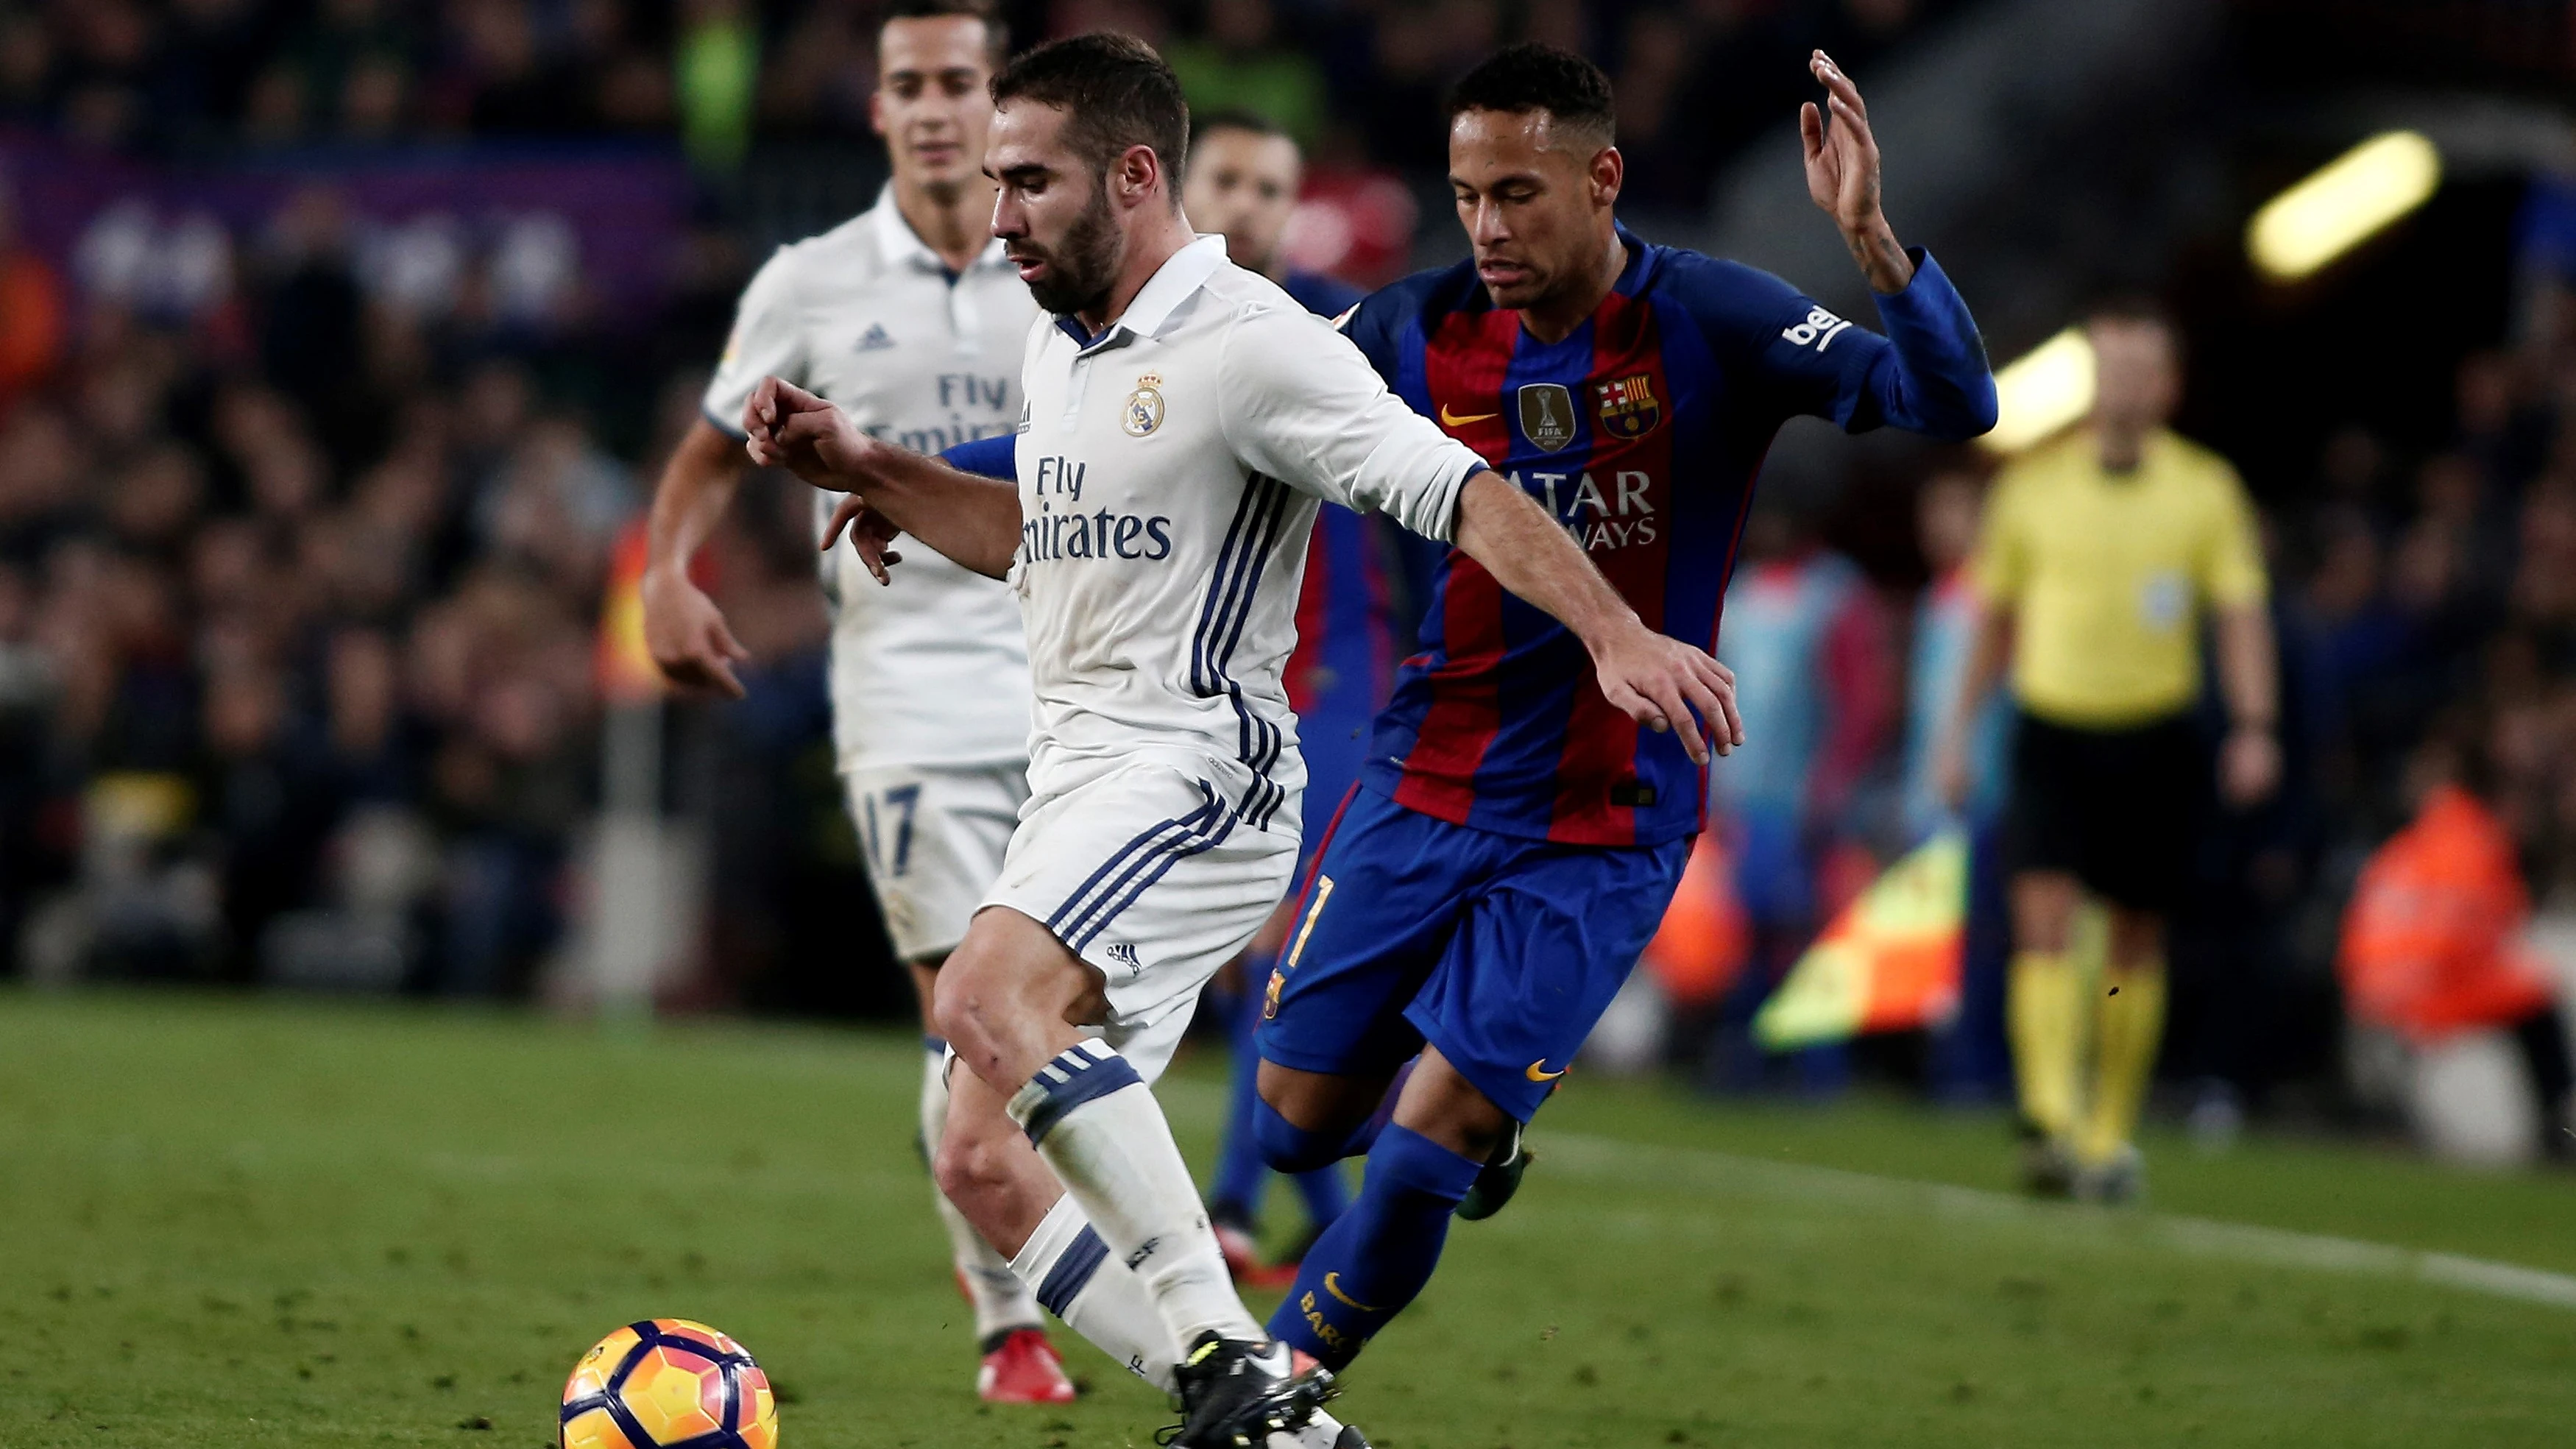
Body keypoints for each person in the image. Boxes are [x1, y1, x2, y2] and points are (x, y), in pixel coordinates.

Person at [743, 34, 1738, 1449]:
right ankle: (1280, 1424)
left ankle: (1232, 1352)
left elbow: (1469, 493)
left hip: (1194, 768)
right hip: (1078, 783)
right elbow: (1037, 536)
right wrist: (875, 468)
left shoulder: (1253, 341)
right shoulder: (1059, 341)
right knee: (976, 1154)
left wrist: (1614, 633)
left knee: (979, 994)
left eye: (1031, 180)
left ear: (1135, 176)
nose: (1001, 210)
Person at [1248, 42, 1995, 1378]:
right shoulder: (1412, 328)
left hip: (1608, 818)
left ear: (1603, 180)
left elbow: (1951, 400)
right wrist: (912, 468)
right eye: (1469, 193)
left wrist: (1873, 238)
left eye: (1519, 193)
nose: (1487, 226)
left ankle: (1274, 1376)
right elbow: (1207, 420)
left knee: (1423, 1154)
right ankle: (1477, 1119)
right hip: (1425, 780)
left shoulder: (1711, 317)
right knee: (1299, 1118)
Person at [634, 0, 1078, 1406]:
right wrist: (663, 571)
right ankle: (1012, 1318)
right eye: (911, 85)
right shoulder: (812, 282)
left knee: (1064, 1033)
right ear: (877, 109)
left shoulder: (1061, 275)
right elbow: (712, 450)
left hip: (1074, 690)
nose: (938, 106)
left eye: (961, 81)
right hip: (907, 707)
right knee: (972, 1018)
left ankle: (1059, 1261)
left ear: (998, 102)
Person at [1935, 299, 2279, 1202]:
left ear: (2165, 386)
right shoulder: (2030, 487)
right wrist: (1955, 732)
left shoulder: (2205, 490)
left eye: (2138, 369)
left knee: (2133, 938)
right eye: (2108, 366)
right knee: (2041, 916)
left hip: (2153, 733)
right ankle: (2048, 1112)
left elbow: (2239, 617)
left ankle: (2106, 1128)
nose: (2121, 384)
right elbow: (1991, 623)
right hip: (2051, 726)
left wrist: (2253, 725)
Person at [1180, 105, 1380, 1284]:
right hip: (1218, 698)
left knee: (1274, 950)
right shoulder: (1147, 332)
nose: (1249, 204)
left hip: (1338, 690)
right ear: (1183, 187)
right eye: (1231, 180)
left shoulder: (1332, 333)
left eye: (1271, 187)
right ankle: (1315, 1204)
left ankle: (1232, 1204)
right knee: (1245, 955)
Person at [2340, 715, 2572, 1164]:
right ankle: (2557, 1120)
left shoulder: (2407, 844)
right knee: (2536, 992)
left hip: (2371, 994)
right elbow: (2486, 931)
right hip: (2428, 993)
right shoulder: (2476, 840)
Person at [1903, 470, 2014, 1102]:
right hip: (1929, 792)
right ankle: (1948, 1068)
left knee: (1974, 939)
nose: (1938, 528)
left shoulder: (1992, 597)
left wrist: (1966, 759)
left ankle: (1976, 1071)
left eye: (1953, 513)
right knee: (1937, 940)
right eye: (1932, 514)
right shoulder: (1937, 595)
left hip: (1977, 790)